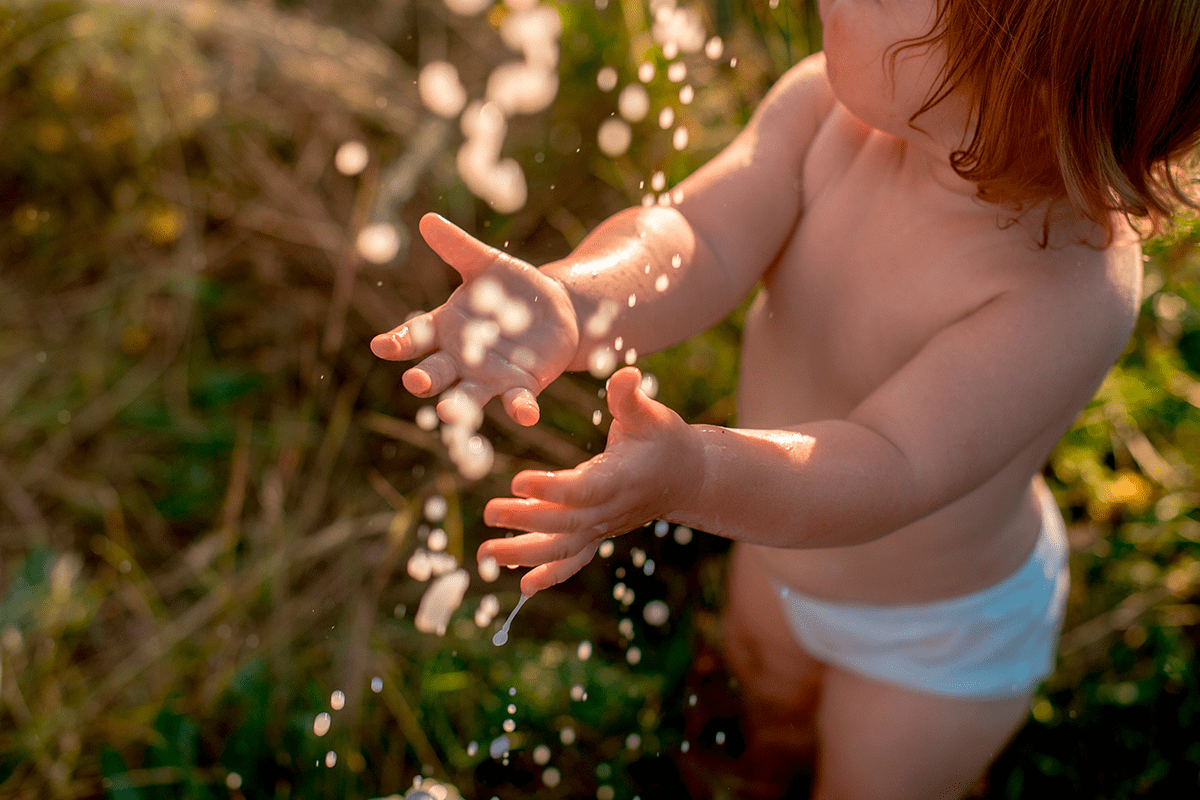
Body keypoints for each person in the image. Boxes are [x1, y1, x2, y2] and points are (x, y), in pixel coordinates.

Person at [371, 0, 1200, 797]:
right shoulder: (829, 112)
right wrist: (572, 302)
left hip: (932, 641)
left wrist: (694, 474)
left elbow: (888, 464)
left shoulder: (1065, 292)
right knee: (754, 716)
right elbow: (696, 239)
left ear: (1029, 83)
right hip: (776, 550)